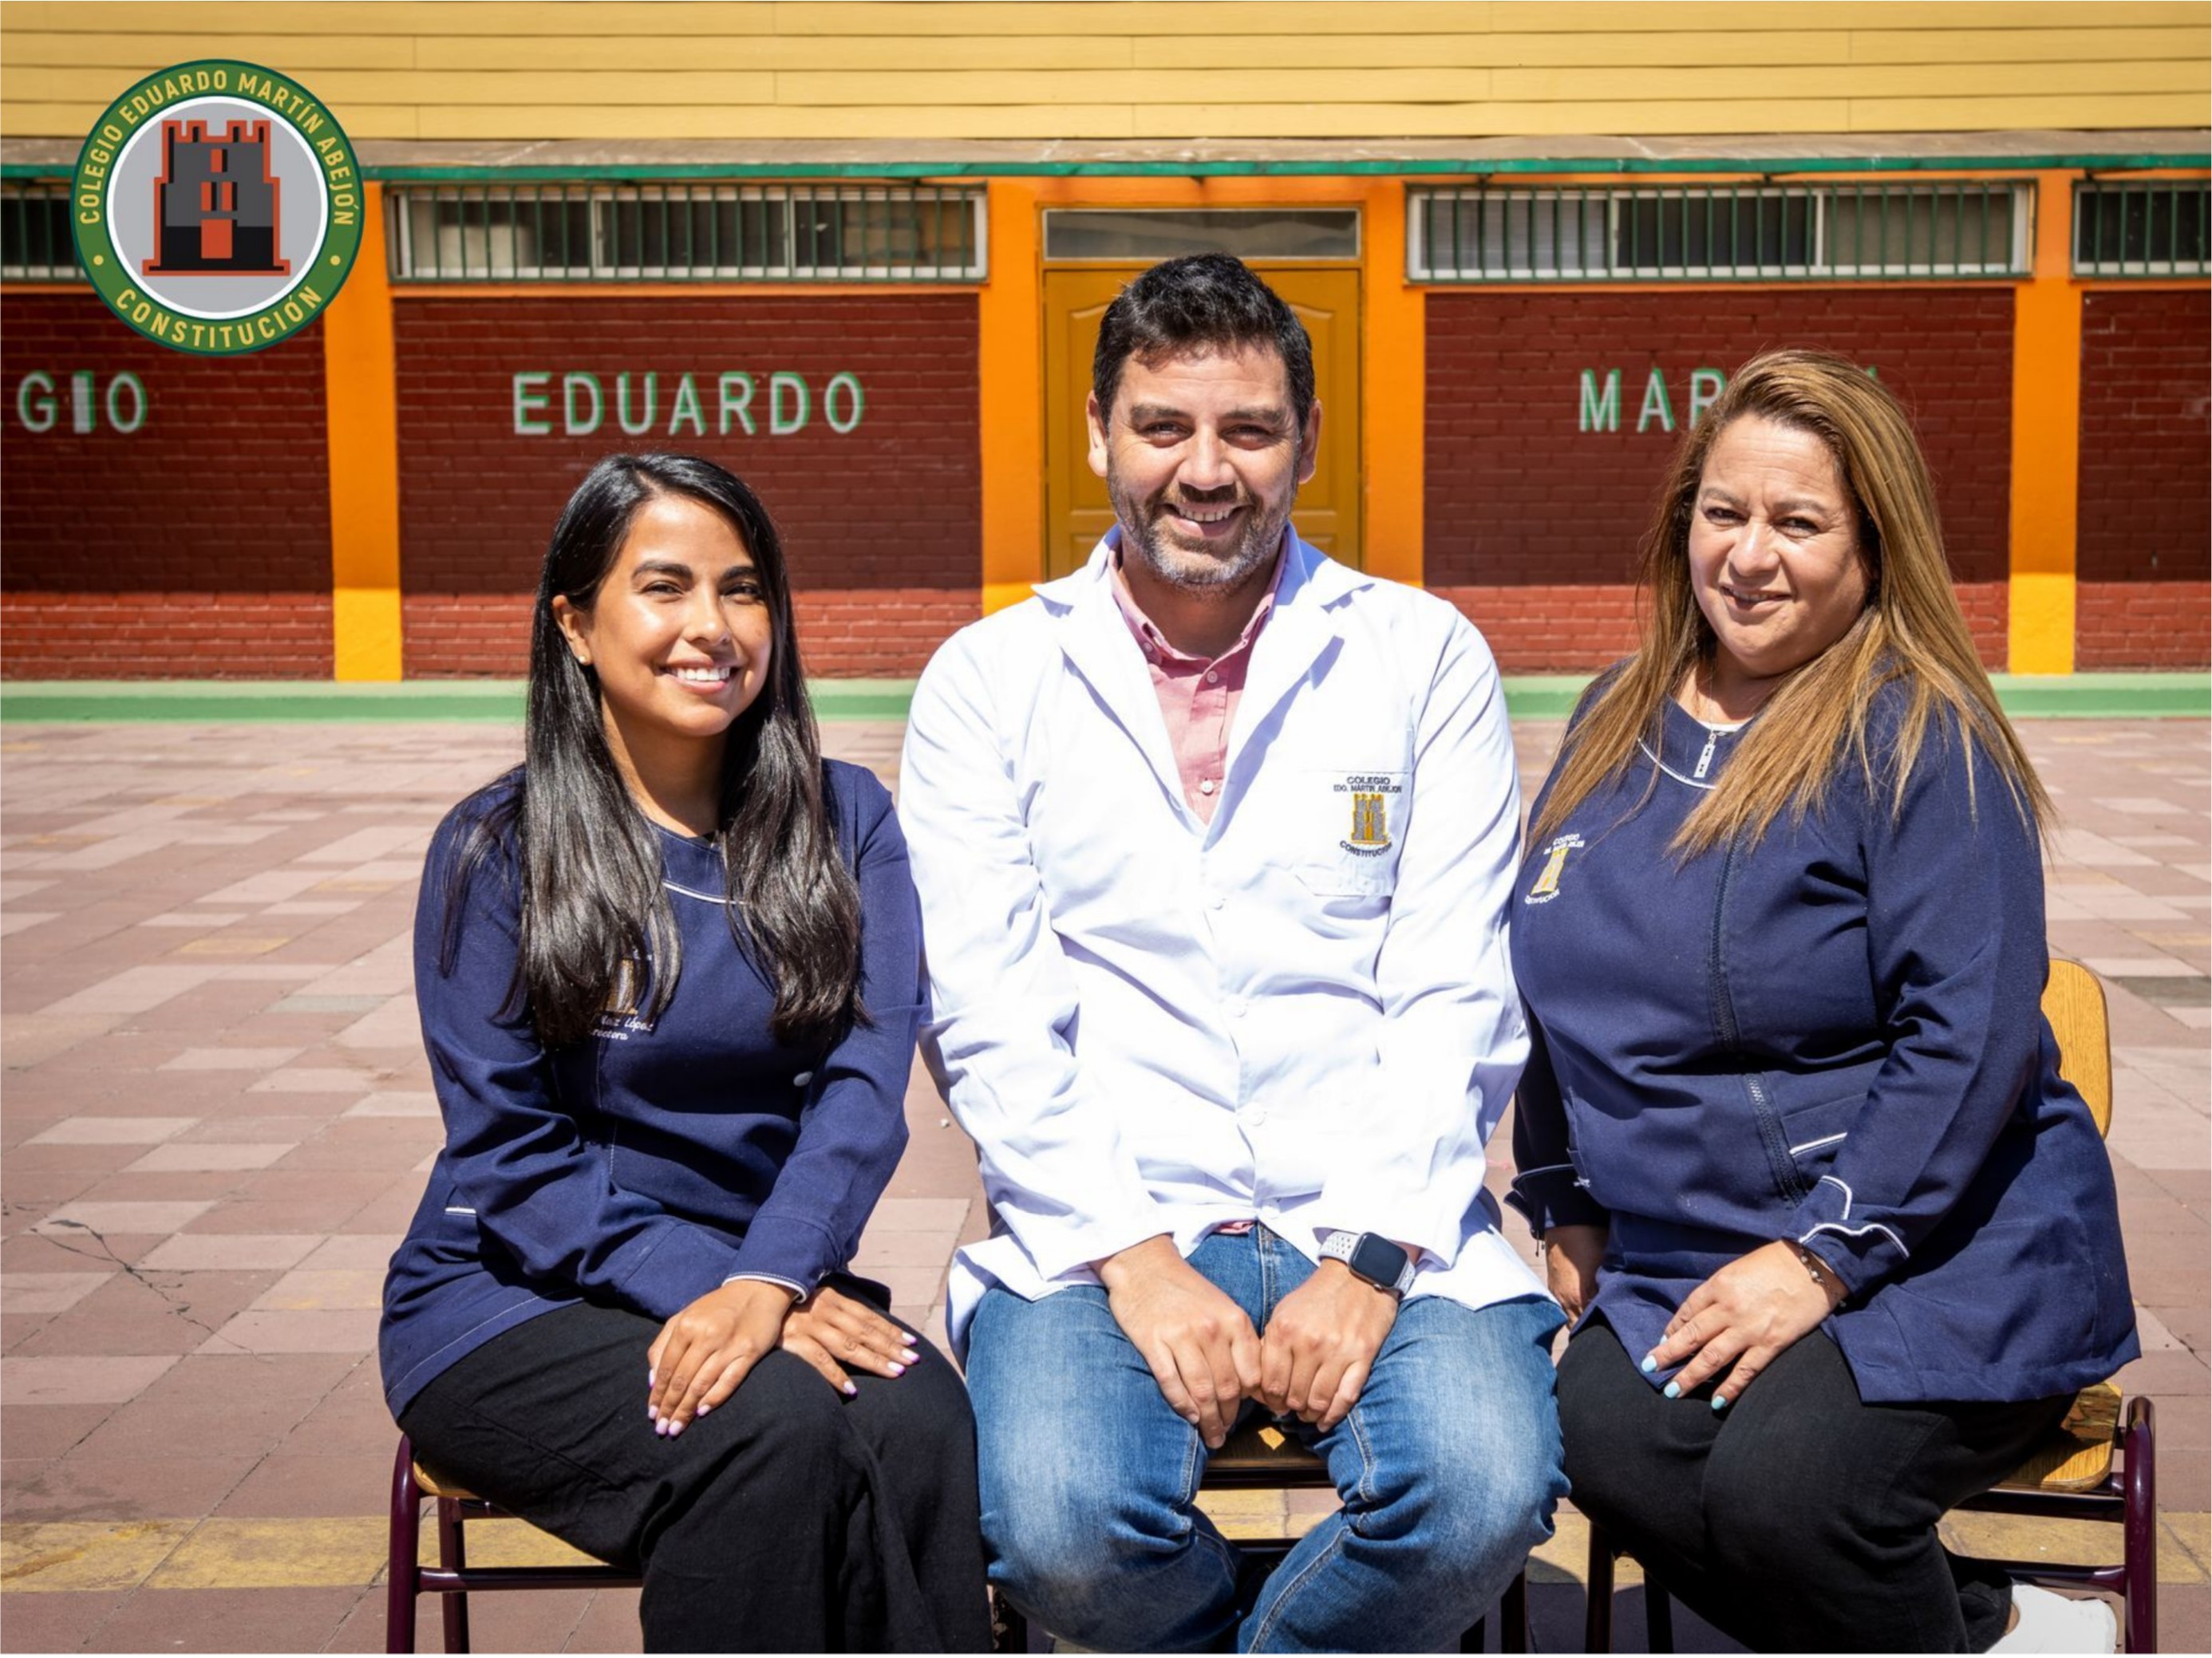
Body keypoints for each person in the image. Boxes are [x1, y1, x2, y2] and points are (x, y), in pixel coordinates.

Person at [899, 254, 1566, 1653]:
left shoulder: (1421, 655)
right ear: (1099, 432)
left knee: (1480, 1495)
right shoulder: (989, 680)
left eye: (1249, 429)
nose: (1206, 471)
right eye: (1164, 426)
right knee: (1066, 1530)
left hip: (1378, 1212)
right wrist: (1136, 1259)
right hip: (1105, 1219)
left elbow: (1456, 986)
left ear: (1306, 441)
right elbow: (985, 1014)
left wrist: (1370, 1258)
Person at [1507, 350, 2139, 1655]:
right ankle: (1994, 1629)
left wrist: (1823, 1256)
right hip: (1689, 1247)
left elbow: (1969, 1037)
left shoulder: (1918, 735)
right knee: (1591, 1437)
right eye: (1724, 511)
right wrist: (1565, 1194)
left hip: (1937, 1246)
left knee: (1787, 1494)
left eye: (1798, 522)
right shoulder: (1615, 713)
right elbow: (1554, 980)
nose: (1751, 556)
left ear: (1871, 546)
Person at [379, 453, 988, 1654]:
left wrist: (769, 1282)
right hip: (514, 1295)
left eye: (743, 589)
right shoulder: (496, 848)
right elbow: (509, 1153)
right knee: (767, 1427)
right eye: (665, 587)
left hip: (766, 1274)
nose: (713, 625)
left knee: (920, 1416)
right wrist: (727, 1293)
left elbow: (864, 1092)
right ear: (574, 623)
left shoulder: (846, 819)